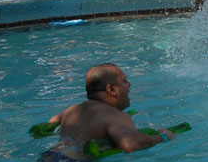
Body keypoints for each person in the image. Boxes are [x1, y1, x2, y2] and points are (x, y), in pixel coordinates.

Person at [46, 64, 176, 155]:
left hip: (49, 158)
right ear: (111, 90)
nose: (129, 84)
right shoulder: (115, 117)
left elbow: (51, 123)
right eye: (124, 81)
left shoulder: (71, 110)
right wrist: (162, 138)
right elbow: (129, 144)